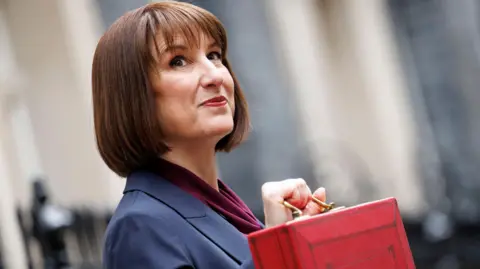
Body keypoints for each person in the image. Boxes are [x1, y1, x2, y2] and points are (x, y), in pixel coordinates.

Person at [92, 2, 329, 268]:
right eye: (178, 61)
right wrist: (276, 246)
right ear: (132, 96)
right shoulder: (139, 227)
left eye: (214, 55)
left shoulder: (227, 212)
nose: (214, 75)